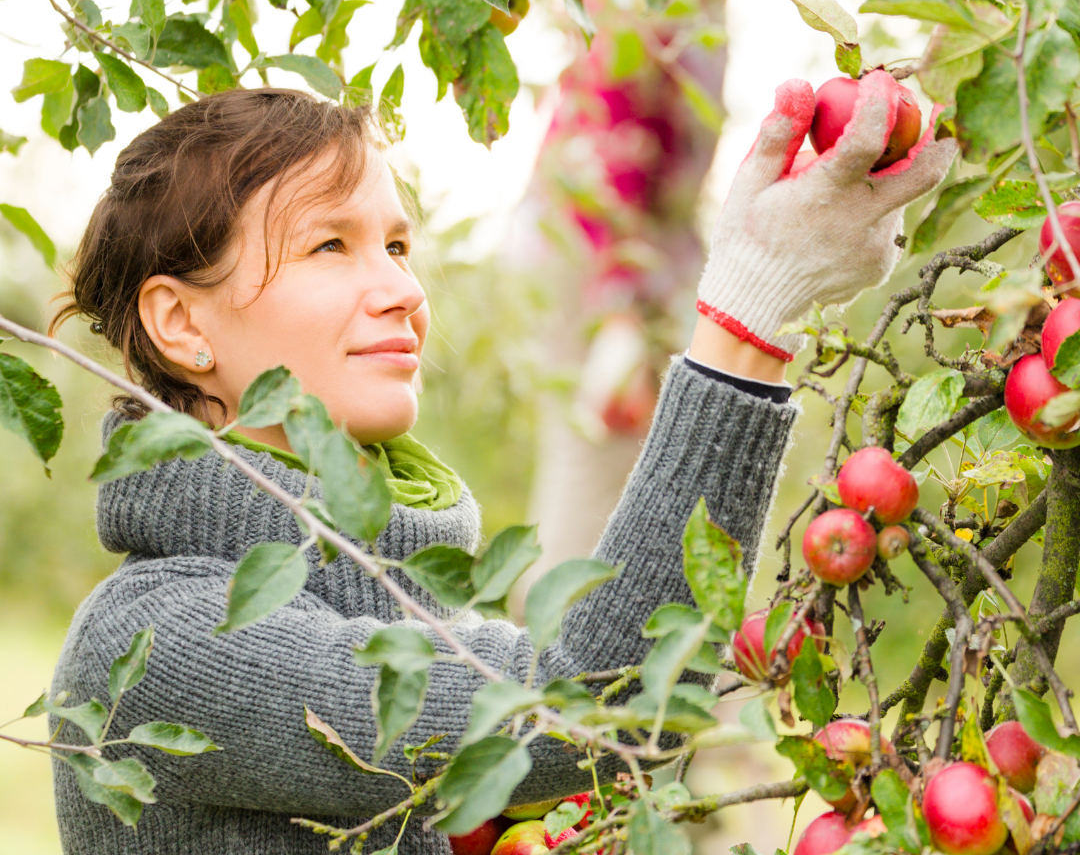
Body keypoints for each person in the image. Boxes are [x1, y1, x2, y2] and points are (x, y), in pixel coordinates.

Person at [48, 76, 954, 854]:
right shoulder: (154, 640)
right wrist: (753, 311)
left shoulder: (399, 604)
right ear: (181, 324)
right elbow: (596, 710)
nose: (405, 290)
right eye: (331, 244)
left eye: (399, 246)